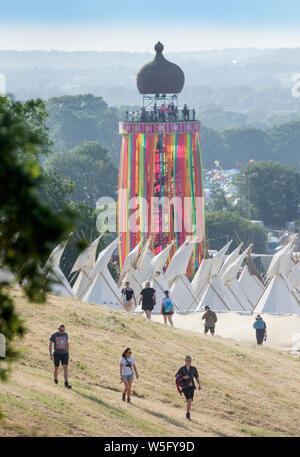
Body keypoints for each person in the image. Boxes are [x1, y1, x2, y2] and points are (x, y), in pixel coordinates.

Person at [175, 355, 201, 421]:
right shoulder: (182, 368)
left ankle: (188, 413)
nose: (190, 361)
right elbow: (176, 376)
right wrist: (183, 377)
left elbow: (197, 377)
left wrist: (199, 385)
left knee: (190, 401)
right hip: (184, 386)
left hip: (191, 387)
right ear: (185, 361)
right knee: (189, 400)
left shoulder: (194, 369)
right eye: (188, 360)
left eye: (190, 360)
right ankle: (188, 415)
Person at [49, 324, 72, 389]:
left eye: (63, 330)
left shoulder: (65, 335)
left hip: (64, 354)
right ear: (58, 329)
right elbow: (50, 345)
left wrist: (68, 352)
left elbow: (67, 343)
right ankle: (55, 379)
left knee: (65, 368)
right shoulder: (54, 335)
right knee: (56, 367)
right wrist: (51, 355)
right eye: (61, 330)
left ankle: (66, 383)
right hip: (57, 354)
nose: (62, 331)